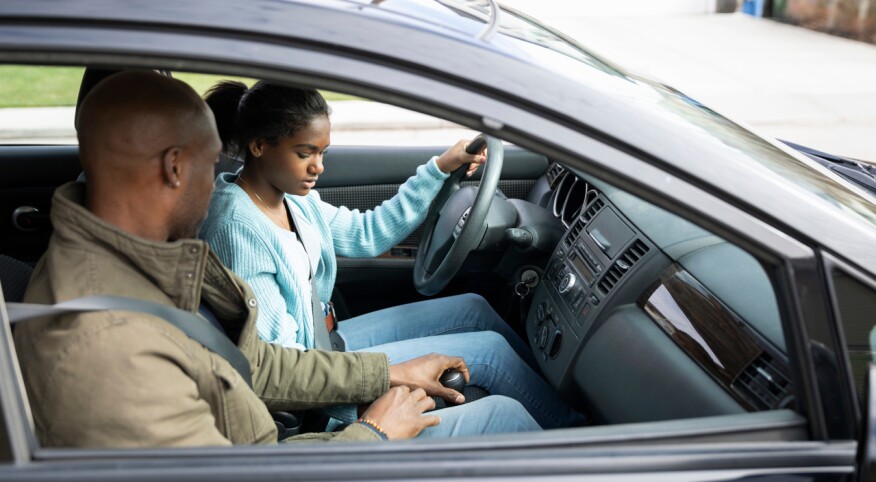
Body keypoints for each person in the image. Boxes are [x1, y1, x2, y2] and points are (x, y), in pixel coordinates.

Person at [13, 71, 541, 448]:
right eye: (208, 163)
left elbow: (255, 363)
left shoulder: (139, 262)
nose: (217, 181)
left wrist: (385, 372)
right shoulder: (111, 347)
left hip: (293, 406)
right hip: (304, 437)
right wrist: (373, 432)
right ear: (176, 167)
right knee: (506, 416)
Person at [200, 81, 585, 429]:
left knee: (474, 308)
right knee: (491, 358)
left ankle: (558, 411)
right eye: (305, 153)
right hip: (318, 387)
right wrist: (393, 374)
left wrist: (439, 168)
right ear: (258, 146)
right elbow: (285, 366)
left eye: (323, 152)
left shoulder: (291, 200)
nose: (318, 166)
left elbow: (367, 233)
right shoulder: (238, 228)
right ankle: (577, 436)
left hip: (329, 343)